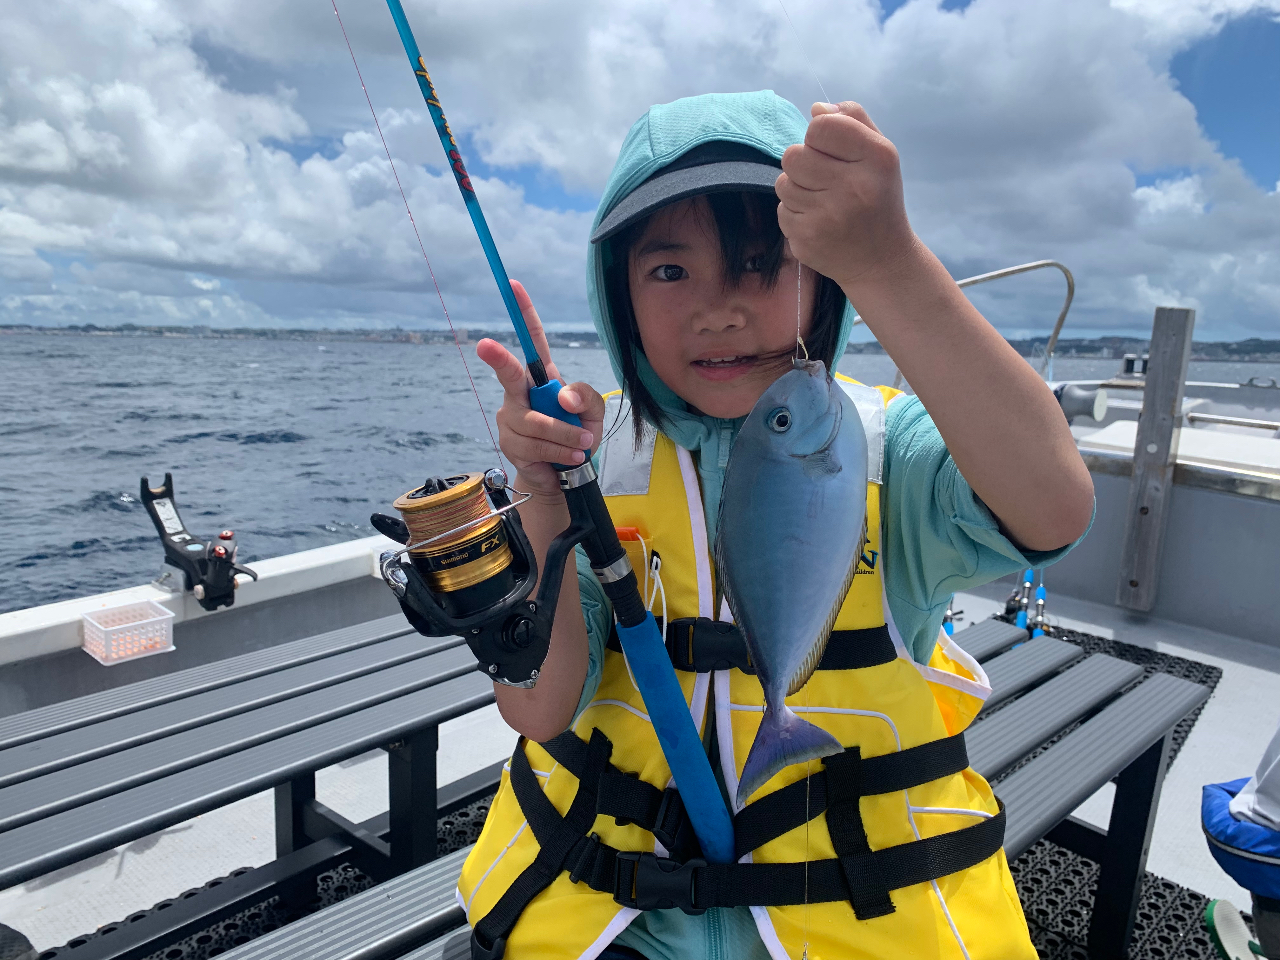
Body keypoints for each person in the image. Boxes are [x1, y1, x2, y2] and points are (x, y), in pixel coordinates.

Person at [462, 91, 1094, 960]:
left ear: (825, 280)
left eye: (764, 263)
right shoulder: (591, 460)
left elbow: (1053, 510)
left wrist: (890, 263)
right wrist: (542, 491)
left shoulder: (891, 450)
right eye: (670, 271)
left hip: (856, 923)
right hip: (619, 925)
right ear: (618, 295)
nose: (718, 309)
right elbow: (537, 709)